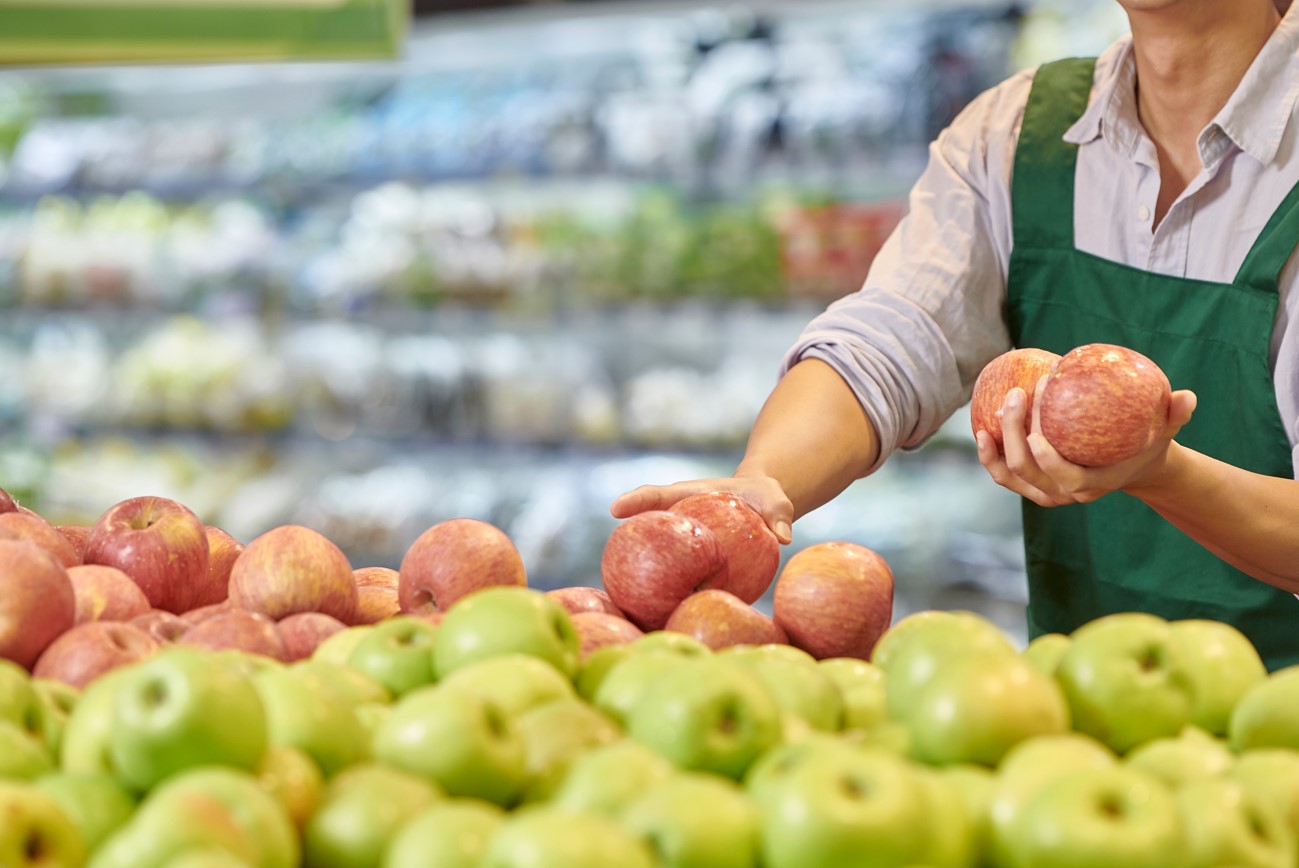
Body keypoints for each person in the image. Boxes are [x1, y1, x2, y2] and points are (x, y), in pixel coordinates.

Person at [611, 0, 1299, 671]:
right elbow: (890, 339)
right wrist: (759, 486)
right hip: (1081, 712)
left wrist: (1161, 472)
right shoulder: (1018, 134)